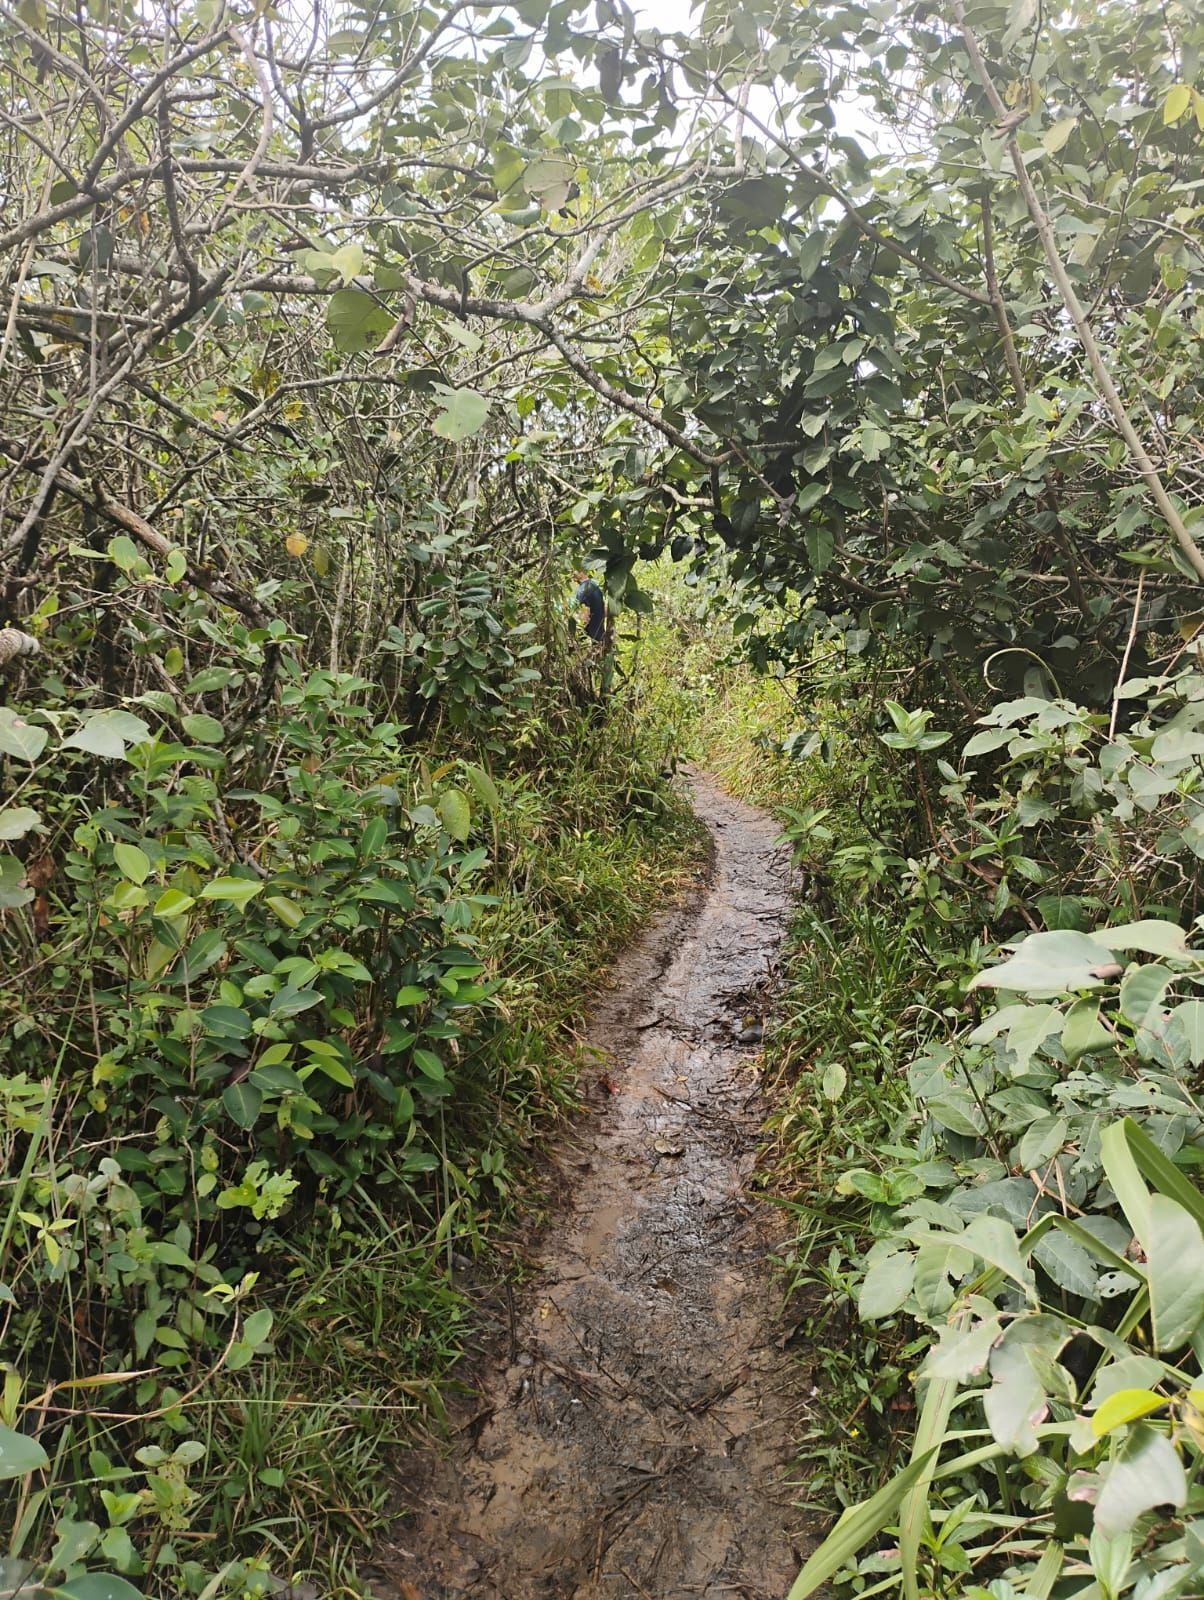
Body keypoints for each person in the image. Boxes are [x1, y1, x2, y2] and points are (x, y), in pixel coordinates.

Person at [573, 569, 606, 643]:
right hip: (599, 633)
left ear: (582, 571)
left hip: (589, 635)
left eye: (575, 570)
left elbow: (584, 614)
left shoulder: (583, 589)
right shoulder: (595, 585)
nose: (572, 573)